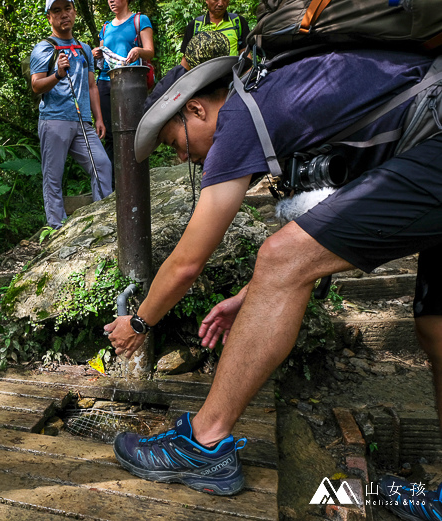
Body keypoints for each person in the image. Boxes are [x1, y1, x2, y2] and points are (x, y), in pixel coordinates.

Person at [103, 49, 442, 516]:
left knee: (280, 255)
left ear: (197, 109)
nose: (182, 156)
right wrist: (252, 294)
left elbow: (188, 262)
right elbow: (332, 225)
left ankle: (205, 443)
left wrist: (138, 324)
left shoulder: (240, 117)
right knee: (436, 329)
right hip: (428, 138)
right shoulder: (275, 101)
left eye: (173, 142)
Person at [30, 0, 113, 230]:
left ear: (74, 11)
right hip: (54, 119)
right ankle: (57, 228)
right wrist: (57, 74)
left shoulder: (84, 48)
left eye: (67, 8)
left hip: (82, 121)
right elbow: (36, 85)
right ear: (49, 17)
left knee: (102, 166)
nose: (64, 15)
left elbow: (92, 86)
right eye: (57, 11)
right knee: (53, 178)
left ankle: (102, 217)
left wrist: (98, 118)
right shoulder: (44, 48)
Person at [91, 0, 154, 167]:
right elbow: (102, 55)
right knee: (110, 134)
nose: (111, 1)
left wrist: (139, 51)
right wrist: (96, 53)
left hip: (130, 81)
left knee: (132, 128)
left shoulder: (140, 20)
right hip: (105, 82)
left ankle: (135, 172)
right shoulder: (105, 28)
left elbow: (150, 52)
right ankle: (113, 182)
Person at [180, 0, 249, 58]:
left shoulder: (238, 22)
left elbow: (246, 54)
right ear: (207, 1)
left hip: (231, 72)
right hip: (204, 73)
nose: (220, 4)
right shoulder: (195, 25)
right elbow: (186, 60)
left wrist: (248, 73)